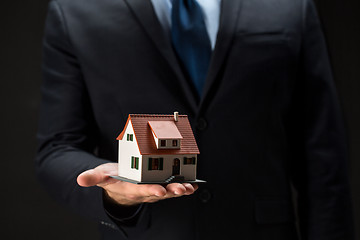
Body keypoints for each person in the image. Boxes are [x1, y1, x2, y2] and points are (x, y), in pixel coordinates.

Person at [36, 0, 354, 239]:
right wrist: (111, 192)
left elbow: (322, 154)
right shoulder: (75, 10)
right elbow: (57, 148)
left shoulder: (291, 6)